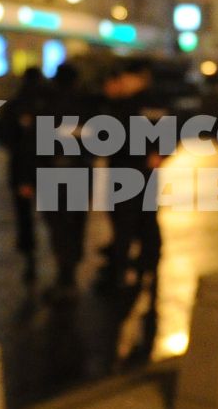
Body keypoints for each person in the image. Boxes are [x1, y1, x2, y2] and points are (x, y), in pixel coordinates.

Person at [94, 58, 166, 295]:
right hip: (130, 169)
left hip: (133, 170)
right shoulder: (128, 103)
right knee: (137, 220)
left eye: (125, 78)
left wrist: (159, 154)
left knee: (129, 222)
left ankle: (128, 272)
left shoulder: (139, 104)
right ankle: (141, 268)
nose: (122, 83)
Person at [35, 63, 90, 299]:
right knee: (75, 224)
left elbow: (35, 145)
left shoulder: (48, 106)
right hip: (79, 172)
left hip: (52, 173)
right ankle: (70, 274)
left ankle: (64, 277)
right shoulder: (86, 106)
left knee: (58, 226)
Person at [0, 69, 46, 284]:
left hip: (20, 170)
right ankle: (62, 267)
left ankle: (30, 259)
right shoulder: (47, 105)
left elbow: (4, 136)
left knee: (25, 217)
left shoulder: (15, 105)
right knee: (54, 218)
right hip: (46, 169)